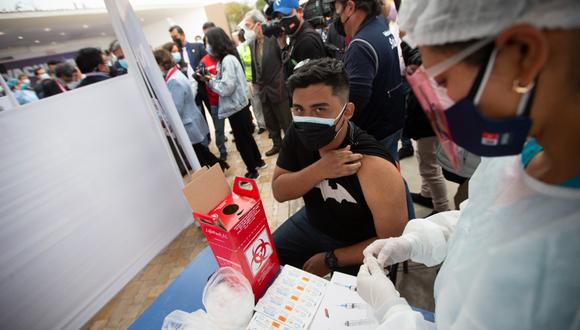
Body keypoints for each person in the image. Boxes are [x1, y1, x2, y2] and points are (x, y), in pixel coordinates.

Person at [359, 0, 580, 328]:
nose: (442, 105)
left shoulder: (561, 262)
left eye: (444, 82)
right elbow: (482, 218)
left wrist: (392, 313)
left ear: (524, 54)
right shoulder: (521, 146)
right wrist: (418, 239)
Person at [272, 58, 408, 277]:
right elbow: (279, 191)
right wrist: (321, 169)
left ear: (347, 111)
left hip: (359, 243)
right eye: (299, 109)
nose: (308, 119)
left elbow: (392, 241)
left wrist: (331, 259)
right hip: (313, 222)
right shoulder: (297, 133)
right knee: (266, 262)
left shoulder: (373, 165)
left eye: (319, 109)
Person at [333, 0, 405, 162]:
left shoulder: (360, 45)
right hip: (392, 120)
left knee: (384, 182)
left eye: (338, 10)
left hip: (377, 130)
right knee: (392, 169)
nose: (337, 17)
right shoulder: (380, 24)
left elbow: (356, 100)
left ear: (350, 7)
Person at [200, 27, 266, 179]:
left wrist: (210, 82)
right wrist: (210, 79)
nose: (207, 47)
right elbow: (225, 82)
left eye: (208, 43)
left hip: (236, 107)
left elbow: (227, 88)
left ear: (216, 43)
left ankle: (252, 170)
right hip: (238, 106)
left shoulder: (227, 60)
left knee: (242, 141)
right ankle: (258, 162)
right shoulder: (226, 59)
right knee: (246, 137)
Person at [153, 48, 228, 170]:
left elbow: (176, 109)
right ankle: (220, 166)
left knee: (199, 156)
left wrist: (162, 118)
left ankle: (216, 172)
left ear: (161, 64)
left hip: (188, 123)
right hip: (191, 120)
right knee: (201, 152)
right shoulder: (175, 75)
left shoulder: (174, 80)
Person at [245, 10, 293, 157]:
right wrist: (254, 82)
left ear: (258, 25)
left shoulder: (273, 39)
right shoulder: (253, 43)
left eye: (248, 25)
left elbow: (284, 61)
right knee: (270, 121)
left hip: (277, 87)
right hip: (263, 89)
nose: (246, 30)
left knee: (286, 121)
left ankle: (292, 146)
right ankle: (277, 145)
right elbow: (255, 63)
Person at [272, 0, 326, 76]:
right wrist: (283, 47)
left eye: (286, 14)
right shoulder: (296, 35)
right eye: (279, 17)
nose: (282, 20)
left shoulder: (307, 40)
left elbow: (312, 82)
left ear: (300, 11)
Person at [169, 25, 210, 124]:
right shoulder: (176, 54)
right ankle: (207, 136)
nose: (174, 39)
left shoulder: (197, 47)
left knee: (213, 111)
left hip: (204, 85)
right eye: (172, 37)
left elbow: (206, 62)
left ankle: (220, 132)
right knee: (199, 114)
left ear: (183, 35)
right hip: (191, 89)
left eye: (175, 36)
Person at [199, 49, 228, 161]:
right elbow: (202, 80)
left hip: (227, 98)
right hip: (215, 101)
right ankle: (222, 151)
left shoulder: (222, 58)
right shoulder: (203, 61)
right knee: (219, 129)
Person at [237, 28, 267, 135]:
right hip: (254, 79)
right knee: (260, 103)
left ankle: (262, 124)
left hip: (251, 80)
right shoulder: (244, 47)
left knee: (257, 104)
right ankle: (263, 124)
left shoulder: (243, 47)